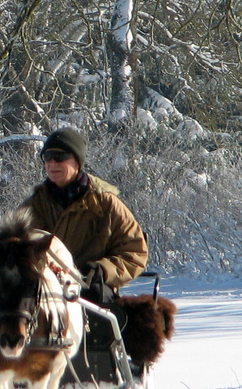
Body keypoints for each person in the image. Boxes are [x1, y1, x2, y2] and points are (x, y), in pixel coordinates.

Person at [19, 127, 148, 302]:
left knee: (95, 301)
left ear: (78, 161)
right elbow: (12, 247)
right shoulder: (33, 205)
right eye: (47, 157)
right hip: (43, 289)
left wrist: (102, 270)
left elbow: (135, 252)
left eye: (60, 157)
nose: (52, 163)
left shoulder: (105, 203)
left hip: (90, 288)